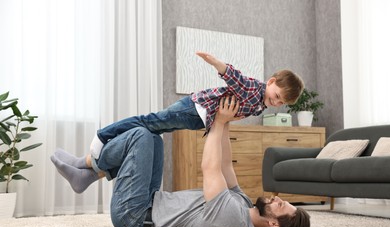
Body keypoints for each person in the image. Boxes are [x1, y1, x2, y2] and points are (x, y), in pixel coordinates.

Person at [51, 96, 310, 227]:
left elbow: (210, 169)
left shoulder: (236, 220)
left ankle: (89, 163)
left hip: (133, 217)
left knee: (141, 135)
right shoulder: (244, 204)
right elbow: (225, 167)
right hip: (149, 200)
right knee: (154, 138)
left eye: (280, 205)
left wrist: (218, 123)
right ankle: (90, 175)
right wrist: (228, 122)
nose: (277, 199)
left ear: (274, 224)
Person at [89, 51, 305, 159]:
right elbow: (233, 75)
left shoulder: (260, 104)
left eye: (280, 102)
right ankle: (103, 135)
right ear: (271, 82)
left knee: (154, 129)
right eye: (277, 95)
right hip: (194, 108)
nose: (276, 102)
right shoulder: (252, 88)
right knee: (150, 121)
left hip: (199, 120)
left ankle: (114, 144)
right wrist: (215, 63)